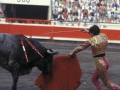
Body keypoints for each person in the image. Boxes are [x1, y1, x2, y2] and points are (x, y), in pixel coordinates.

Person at [69, 25, 120, 90]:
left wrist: (72, 52)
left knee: (108, 83)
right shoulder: (103, 36)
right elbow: (97, 35)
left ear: (92, 33)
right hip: (105, 62)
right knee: (94, 79)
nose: (90, 34)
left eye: (90, 33)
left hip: (100, 64)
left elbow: (81, 47)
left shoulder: (92, 40)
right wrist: (88, 31)